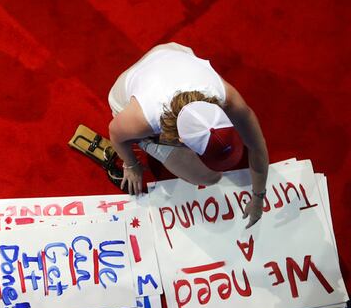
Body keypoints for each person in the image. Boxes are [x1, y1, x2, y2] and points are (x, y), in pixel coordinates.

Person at [107, 42, 269, 228]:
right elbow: (114, 133)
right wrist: (131, 164)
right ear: (180, 141)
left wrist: (259, 197)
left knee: (209, 173)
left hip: (170, 51)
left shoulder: (226, 97)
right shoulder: (144, 119)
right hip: (127, 93)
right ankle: (147, 142)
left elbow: (257, 146)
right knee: (208, 177)